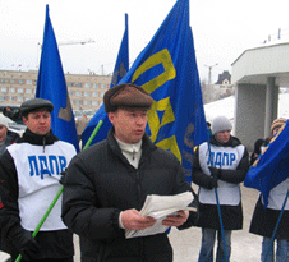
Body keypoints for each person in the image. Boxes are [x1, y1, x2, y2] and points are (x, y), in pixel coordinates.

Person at [61, 83, 197, 262]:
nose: (140, 122)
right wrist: (118, 220)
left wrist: (186, 216)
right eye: (132, 116)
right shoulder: (86, 162)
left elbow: (191, 201)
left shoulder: (167, 161)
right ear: (112, 117)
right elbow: (74, 215)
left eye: (143, 115)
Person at [0, 98, 77, 262]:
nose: (42, 121)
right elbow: (5, 200)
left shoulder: (68, 150)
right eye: (36, 117)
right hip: (28, 235)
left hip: (61, 235)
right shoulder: (13, 153)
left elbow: (83, 191)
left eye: (46, 116)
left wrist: (73, 182)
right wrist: (17, 235)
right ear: (25, 120)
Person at [249, 118, 289, 262]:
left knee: (283, 241)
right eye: (275, 130)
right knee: (267, 239)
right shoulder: (265, 149)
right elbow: (253, 172)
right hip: (268, 200)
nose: (278, 132)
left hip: (288, 202)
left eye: (281, 130)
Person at [192, 115, 250, 262]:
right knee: (207, 242)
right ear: (215, 132)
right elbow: (194, 173)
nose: (225, 134)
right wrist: (207, 181)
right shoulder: (202, 149)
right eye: (222, 131)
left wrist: (220, 174)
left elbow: (242, 174)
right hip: (208, 201)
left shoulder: (240, 150)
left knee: (225, 243)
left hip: (229, 203)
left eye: (228, 131)